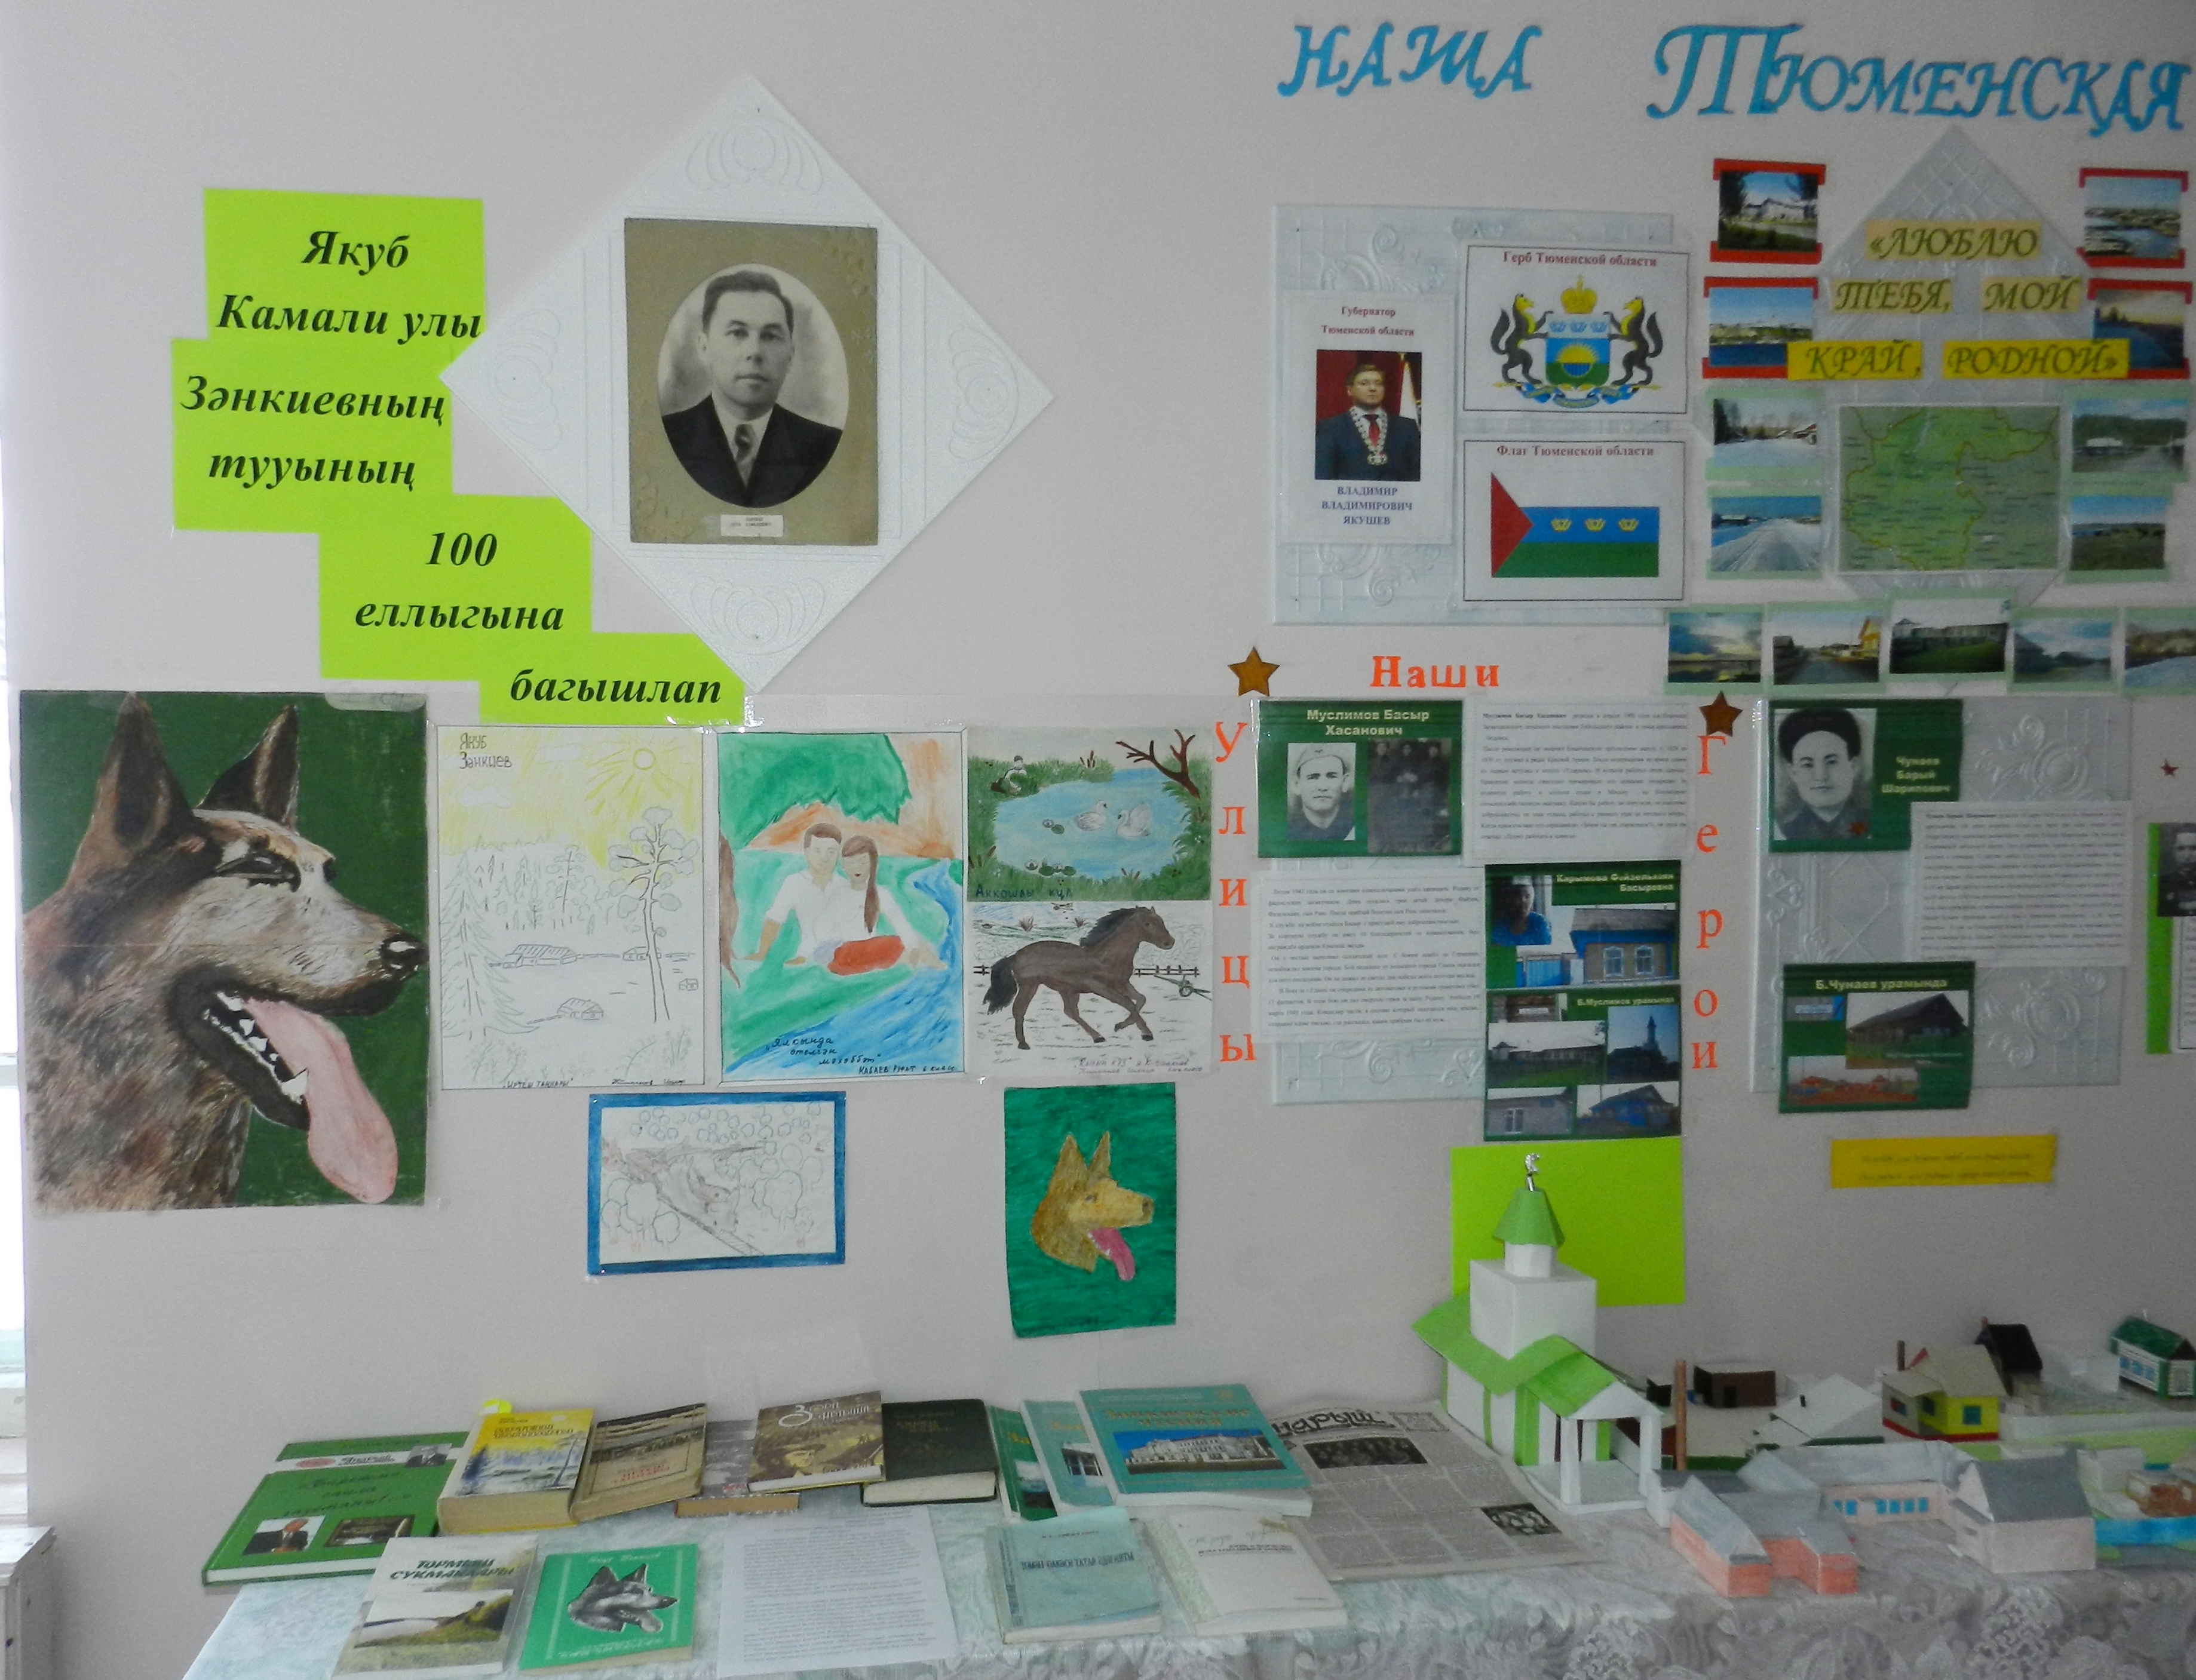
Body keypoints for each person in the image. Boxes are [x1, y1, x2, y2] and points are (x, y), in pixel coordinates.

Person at [661, 269, 842, 508]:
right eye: (737, 333)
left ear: (790, 355)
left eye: (770, 336)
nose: (755, 352)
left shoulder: (826, 447)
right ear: (704, 347)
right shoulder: (667, 438)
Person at [808, 836, 943, 975]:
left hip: (865, 953)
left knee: (913, 944)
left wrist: (913, 946)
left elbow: (900, 922)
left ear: (873, 864)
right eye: (851, 862)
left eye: (863, 862)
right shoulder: (840, 895)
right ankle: (938, 967)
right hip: (845, 956)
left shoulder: (880, 894)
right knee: (906, 946)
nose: (857, 867)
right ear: (843, 865)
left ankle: (934, 966)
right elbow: (820, 927)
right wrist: (830, 944)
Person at [744, 823, 846, 966]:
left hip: (847, 951)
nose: (825, 858)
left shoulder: (844, 886)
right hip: (811, 955)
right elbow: (775, 919)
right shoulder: (795, 883)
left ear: (838, 854)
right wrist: (762, 953)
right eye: (818, 851)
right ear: (807, 852)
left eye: (832, 852)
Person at [1314, 360, 1421, 481]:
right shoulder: (1330, 428)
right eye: (1364, 384)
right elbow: (1324, 476)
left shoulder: (1407, 427)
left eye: (1378, 384)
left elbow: (1417, 476)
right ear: (1350, 390)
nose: (1373, 388)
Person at [1775, 707, 1870, 840]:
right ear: (1793, 772)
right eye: (1808, 765)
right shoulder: (1784, 831)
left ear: (1854, 766)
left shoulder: (1874, 824)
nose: (1821, 777)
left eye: (1831, 762)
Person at [1286, 746, 1356, 841]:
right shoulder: (1288, 831)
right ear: (1297, 785)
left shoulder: (1354, 829)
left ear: (1345, 782)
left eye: (1332, 776)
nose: (1323, 787)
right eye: (1313, 777)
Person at [1489, 877, 1553, 946]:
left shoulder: (1540, 923)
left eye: (1527, 897)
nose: (1523, 902)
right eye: (1518, 897)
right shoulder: (1501, 926)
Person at [2158, 824, 2196, 917]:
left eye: (2194, 848)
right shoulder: (2162, 884)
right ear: (2173, 851)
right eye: (2181, 849)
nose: (2187, 856)